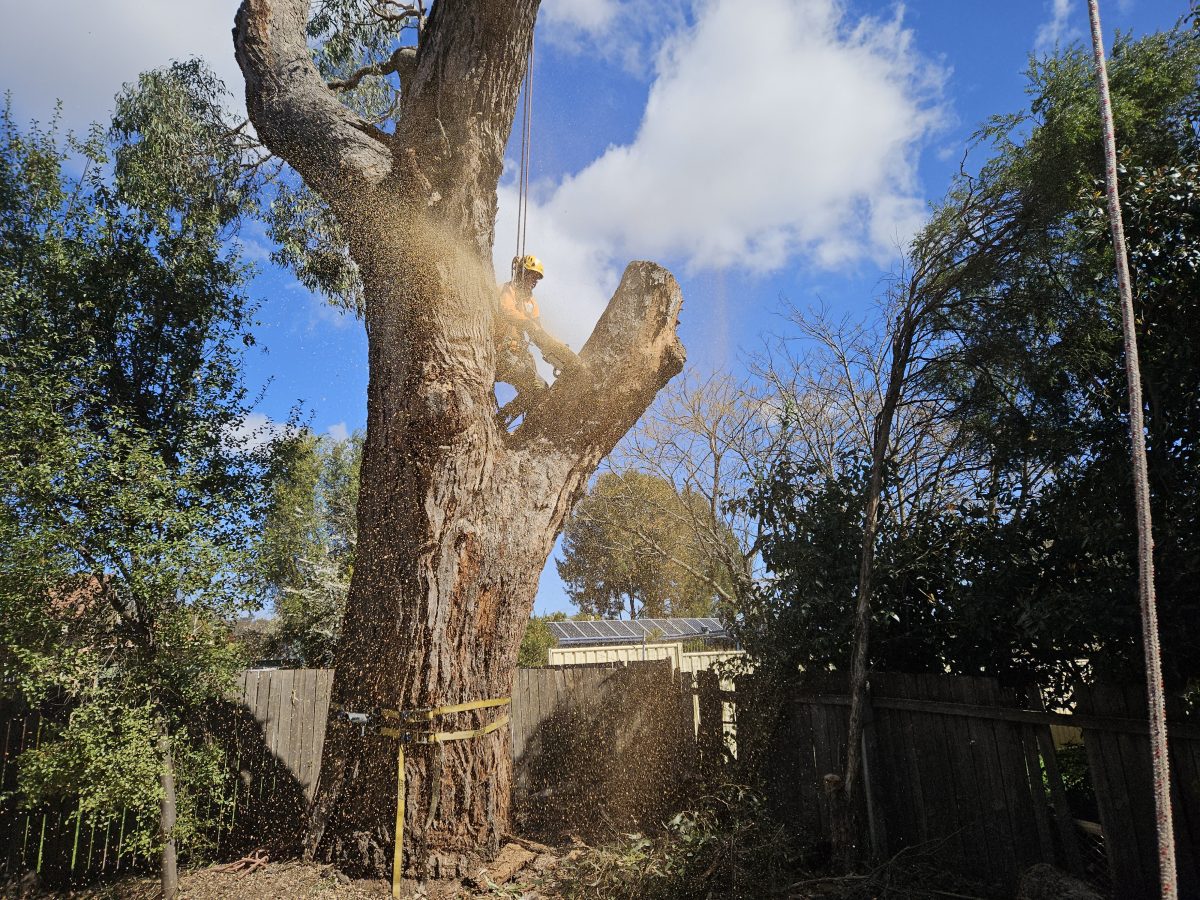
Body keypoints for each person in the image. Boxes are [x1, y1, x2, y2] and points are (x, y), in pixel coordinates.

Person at [495, 255, 582, 424]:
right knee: (536, 386)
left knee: (540, 391)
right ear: (521, 272)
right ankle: (502, 418)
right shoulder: (506, 290)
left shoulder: (531, 303)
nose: (533, 281)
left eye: (536, 279)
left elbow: (539, 330)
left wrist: (556, 347)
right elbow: (506, 311)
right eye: (531, 276)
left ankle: (502, 418)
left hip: (517, 352)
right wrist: (527, 323)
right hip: (501, 350)